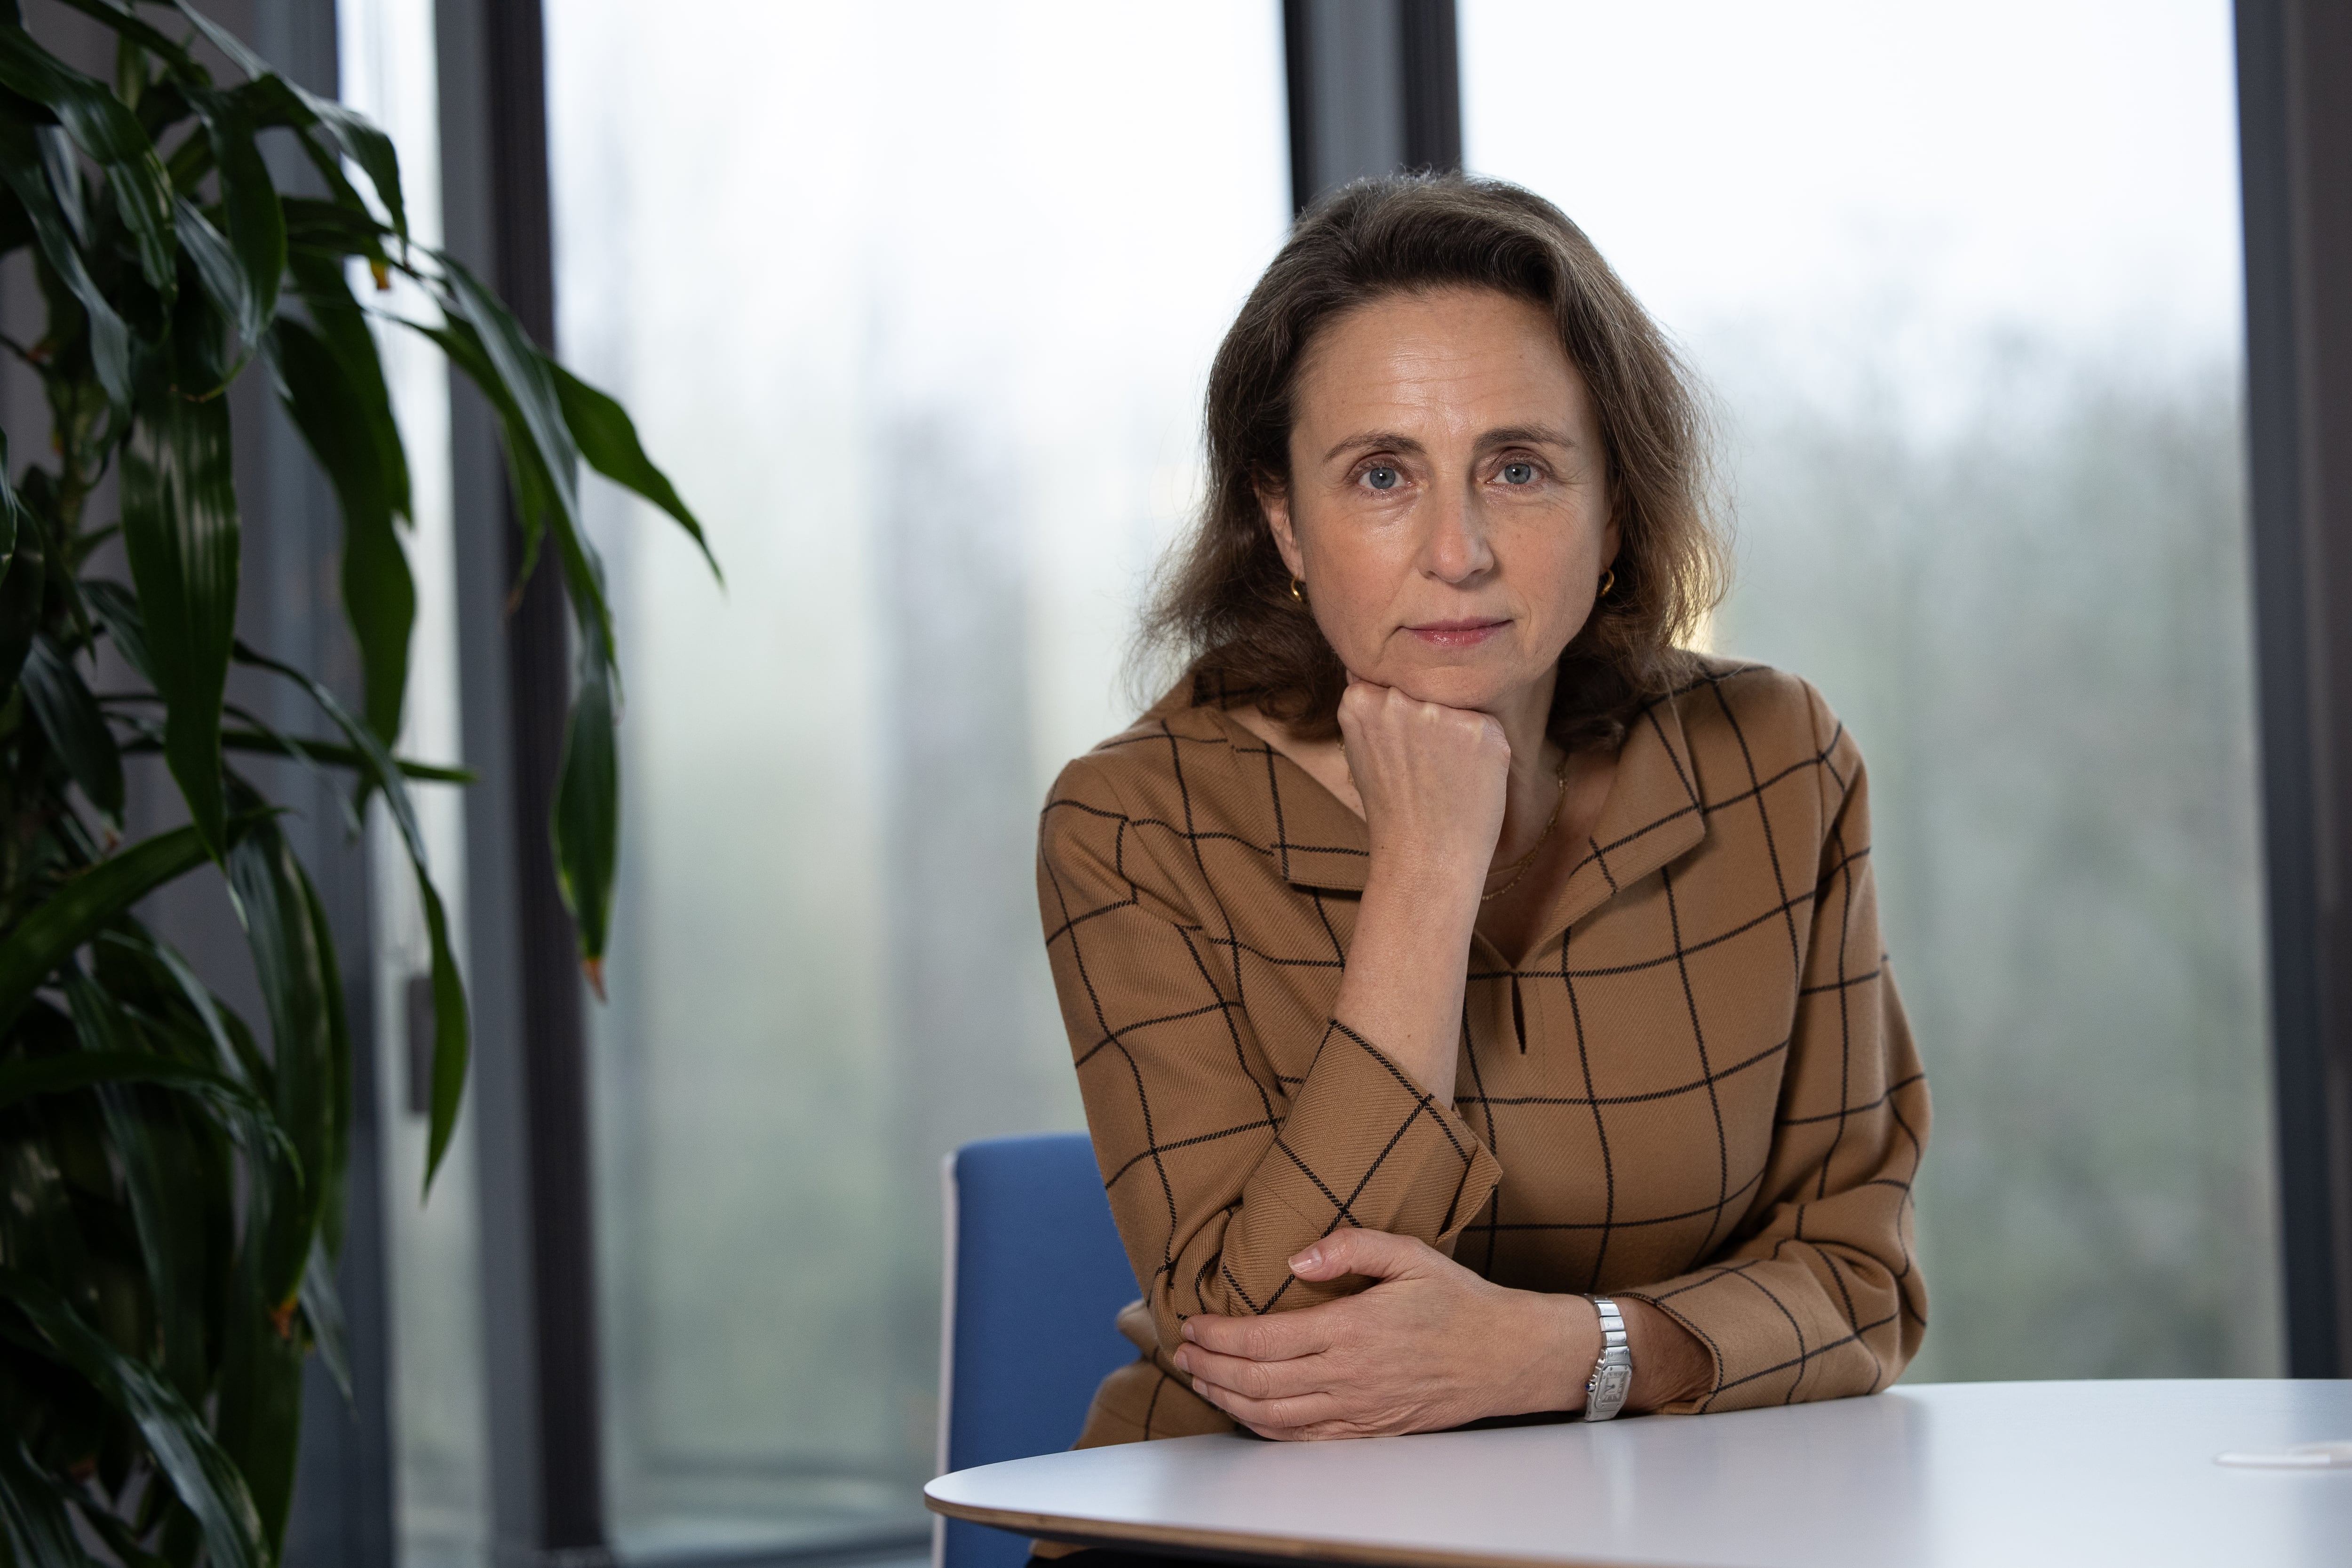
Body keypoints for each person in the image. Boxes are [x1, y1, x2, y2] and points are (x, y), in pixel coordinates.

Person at [1035, 175, 1928, 1467]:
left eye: (1517, 467)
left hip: (1656, 1523)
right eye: (1382, 475)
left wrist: (1568, 1353)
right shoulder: (1133, 826)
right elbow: (1276, 1347)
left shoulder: (1774, 765)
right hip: (1261, 1543)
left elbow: (1862, 1284)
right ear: (1283, 521)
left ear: (1614, 503)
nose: (1458, 551)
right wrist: (1428, 868)